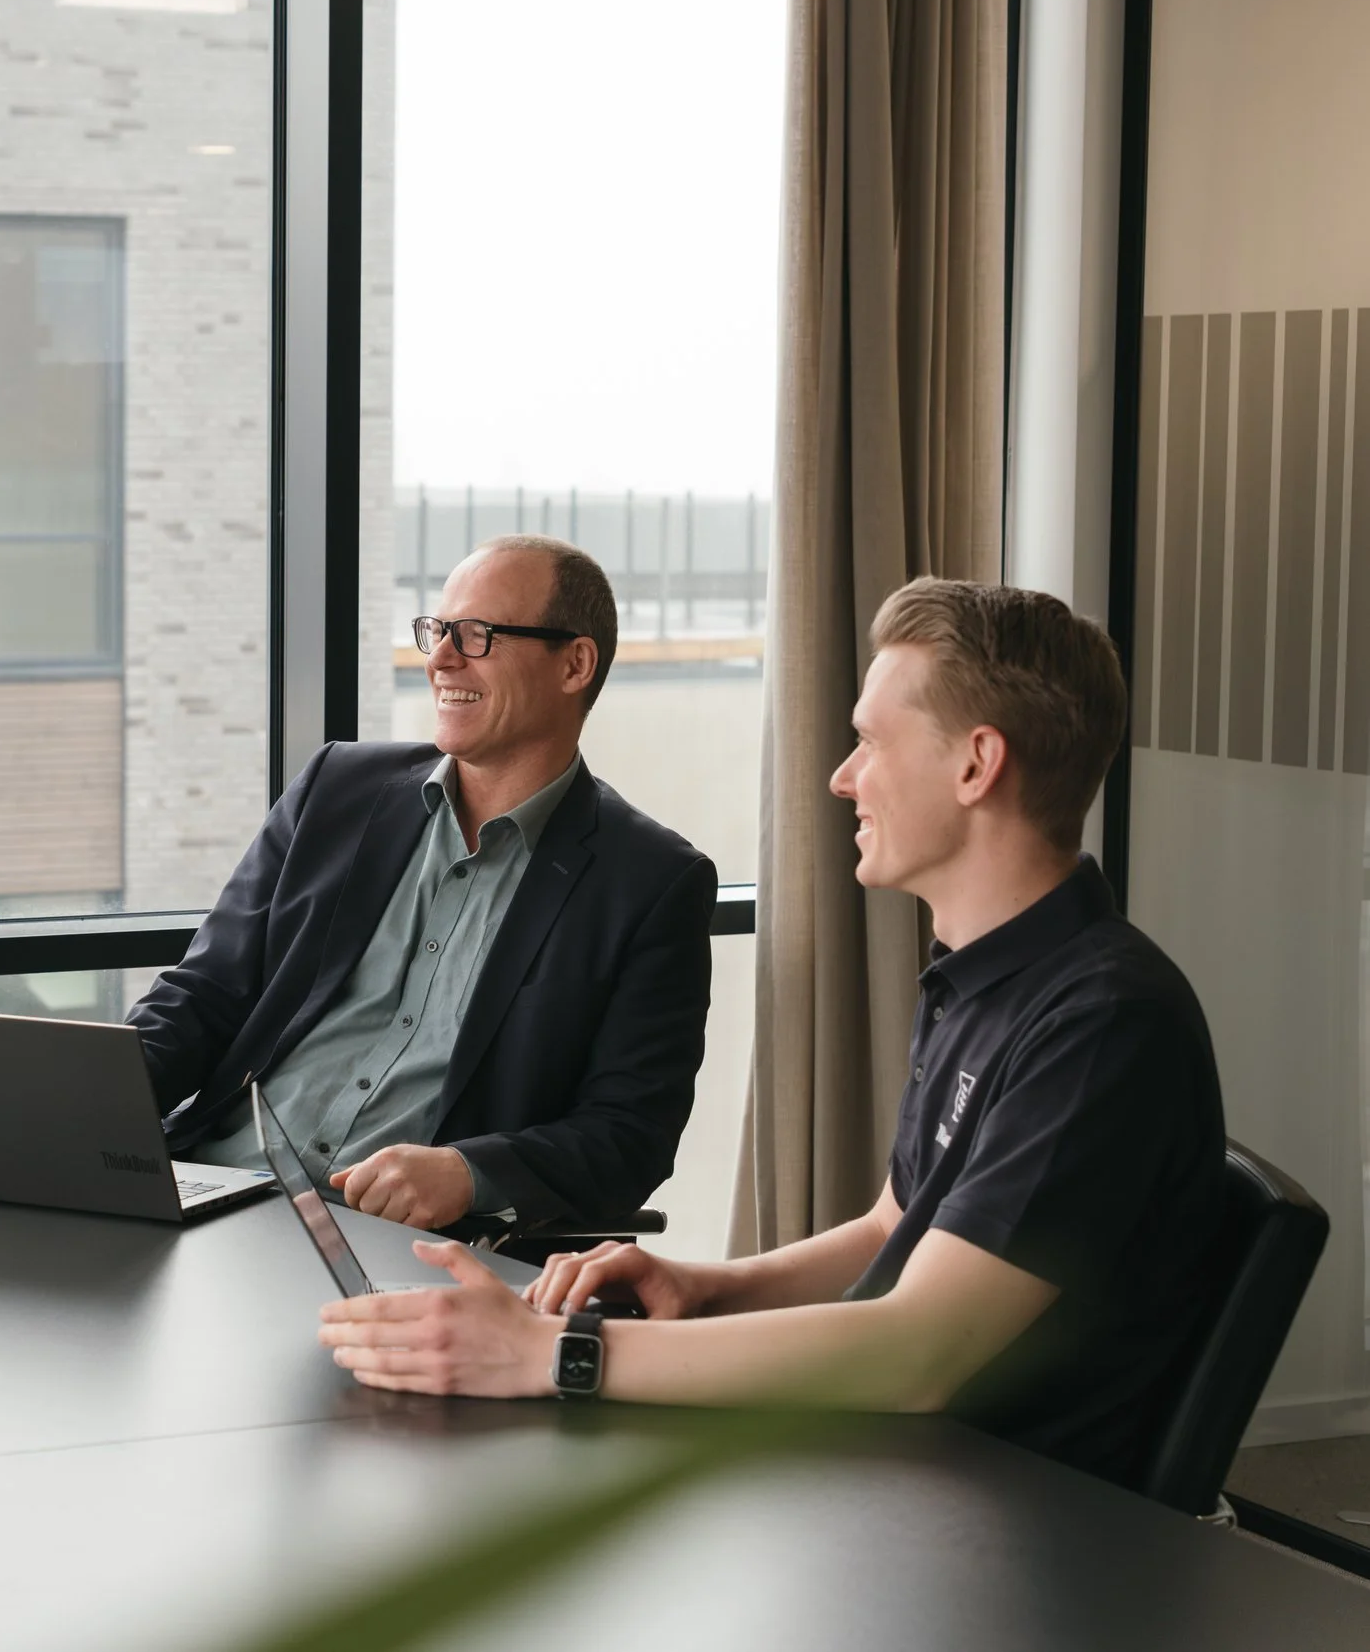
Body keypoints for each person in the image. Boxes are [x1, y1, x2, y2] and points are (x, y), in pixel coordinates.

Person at [317, 578, 1224, 1490]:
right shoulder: (983, 977)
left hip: (1001, 1521)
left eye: (870, 740)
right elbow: (895, 1224)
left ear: (976, 764)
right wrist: (708, 1286)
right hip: (900, 1468)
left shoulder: (1102, 1022)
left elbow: (918, 1352)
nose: (841, 776)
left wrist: (553, 1352)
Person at [132, 536, 717, 1231]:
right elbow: (204, 994)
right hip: (217, 1193)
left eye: (477, 635)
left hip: (404, 1250)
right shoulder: (336, 789)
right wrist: (80, 1101)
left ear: (575, 664)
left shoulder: (650, 884)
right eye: (437, 630)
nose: (439, 656)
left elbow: (629, 1136)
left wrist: (471, 1175)